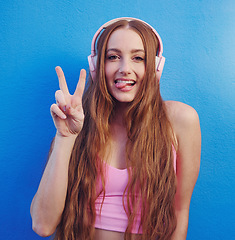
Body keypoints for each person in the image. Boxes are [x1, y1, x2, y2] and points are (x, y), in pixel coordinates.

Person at [30, 17, 201, 240]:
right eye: (113, 57)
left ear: (156, 68)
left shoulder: (180, 120)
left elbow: (180, 212)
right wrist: (65, 136)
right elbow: (43, 225)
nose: (125, 69)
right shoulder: (79, 122)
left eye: (138, 58)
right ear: (96, 66)